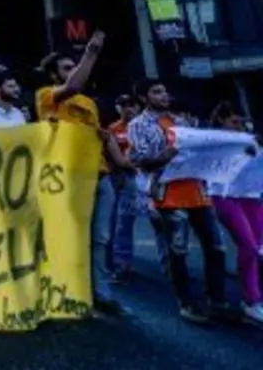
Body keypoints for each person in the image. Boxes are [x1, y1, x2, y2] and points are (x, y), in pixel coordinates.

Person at [35, 31, 128, 316]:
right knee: (71, 235)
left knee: (100, 238)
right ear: (53, 75)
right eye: (66, 67)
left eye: (75, 65)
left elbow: (99, 136)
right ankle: (69, 292)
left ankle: (101, 292)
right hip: (69, 177)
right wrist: (91, 54)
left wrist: (120, 161)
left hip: (99, 176)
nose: (74, 71)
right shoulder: (47, 97)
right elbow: (74, 85)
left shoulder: (89, 104)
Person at [128, 78, 230, 325]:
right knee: (178, 251)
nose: (164, 95)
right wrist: (168, 154)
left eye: (165, 90)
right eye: (156, 91)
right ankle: (187, 303)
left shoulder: (180, 122)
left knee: (216, 247)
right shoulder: (137, 125)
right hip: (168, 196)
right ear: (144, 97)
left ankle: (218, 301)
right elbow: (140, 160)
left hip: (197, 192)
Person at [203, 101, 263, 325]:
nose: (239, 126)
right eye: (234, 122)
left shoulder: (249, 138)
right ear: (222, 120)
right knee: (247, 245)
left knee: (256, 248)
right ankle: (251, 301)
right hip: (224, 195)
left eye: (242, 122)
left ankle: (252, 293)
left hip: (252, 195)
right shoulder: (212, 140)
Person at [106, 94, 144, 281]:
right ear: (118, 108)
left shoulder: (145, 128)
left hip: (145, 177)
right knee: (119, 222)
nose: (128, 109)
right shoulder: (112, 129)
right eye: (124, 105)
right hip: (121, 178)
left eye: (132, 105)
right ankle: (121, 264)